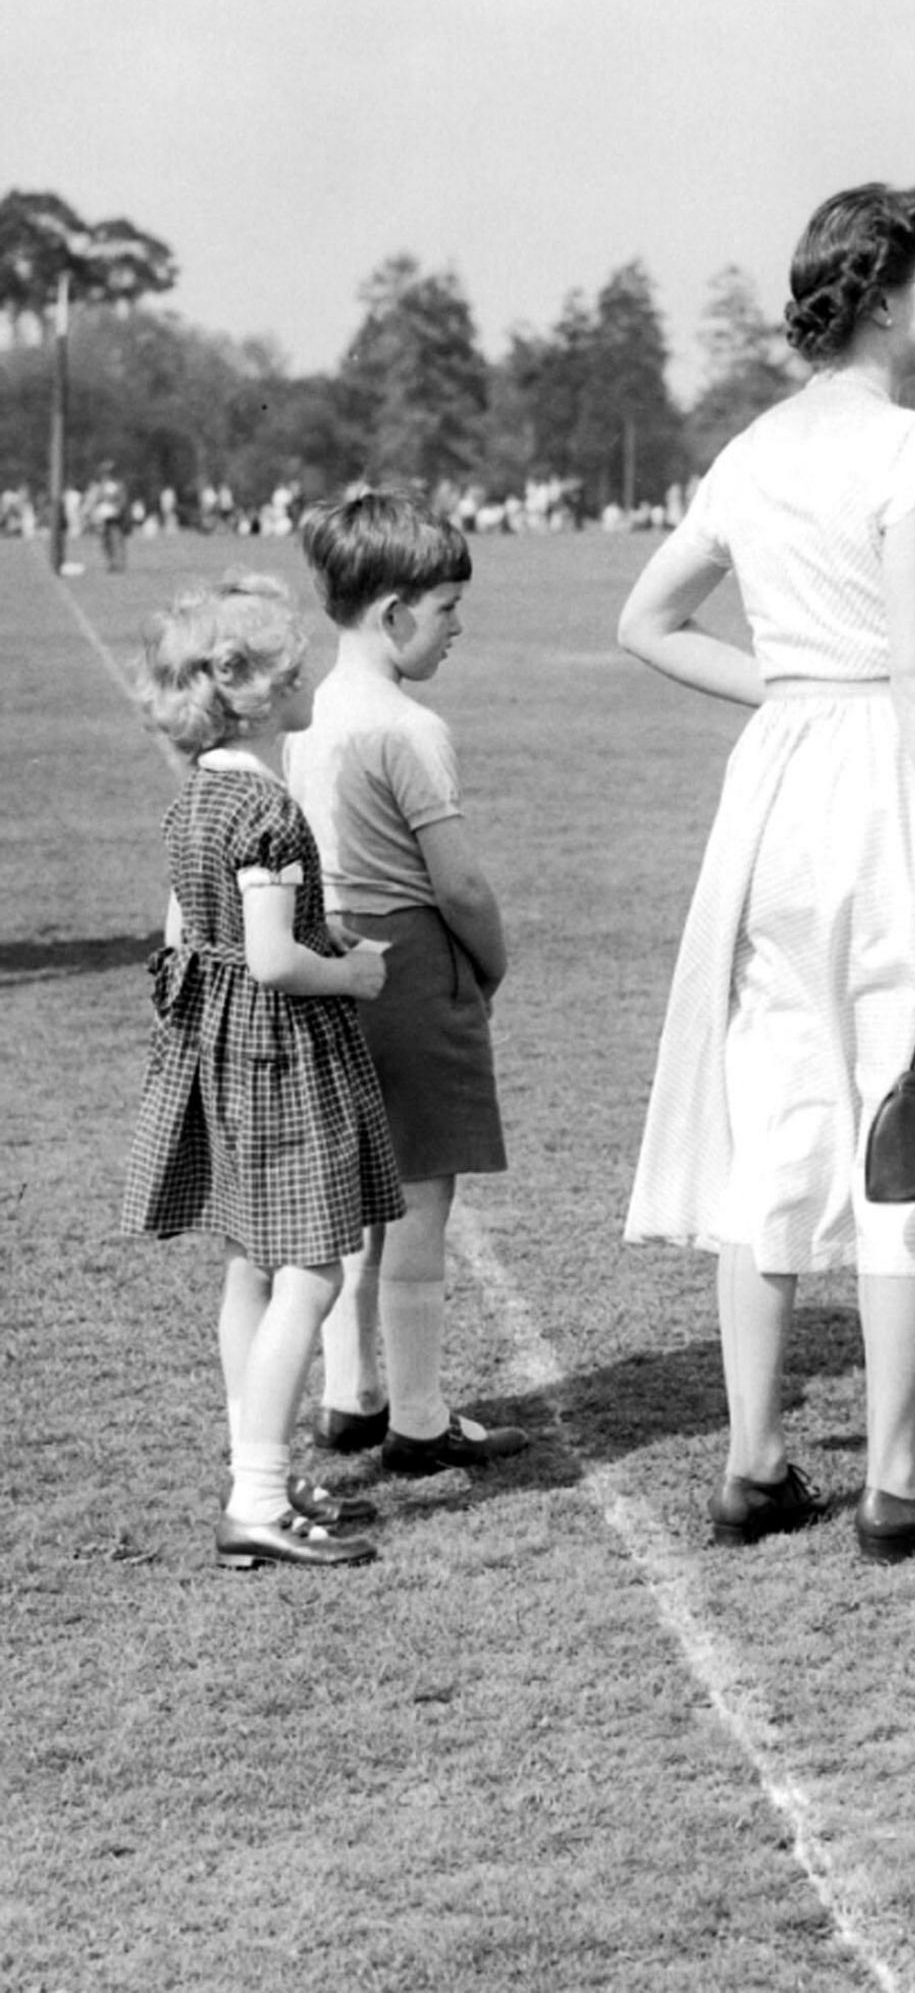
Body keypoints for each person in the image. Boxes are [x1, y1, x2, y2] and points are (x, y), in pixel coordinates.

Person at [619, 183, 915, 1562]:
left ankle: (757, 1464)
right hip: (886, 788)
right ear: (880, 292)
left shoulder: (751, 449)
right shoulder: (914, 446)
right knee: (908, 1107)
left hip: (781, 794)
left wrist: (791, 687)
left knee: (783, 1117)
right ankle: (891, 1478)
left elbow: (647, 621)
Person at [121, 574, 403, 1568]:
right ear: (246, 687)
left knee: (249, 1262)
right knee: (313, 1271)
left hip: (221, 1049)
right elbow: (278, 960)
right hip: (282, 1052)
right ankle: (255, 1497)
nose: (310, 673)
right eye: (294, 665)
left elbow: (189, 933)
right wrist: (354, 971)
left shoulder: (198, 795)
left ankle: (266, 1474)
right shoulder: (268, 812)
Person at [284, 488, 528, 1478]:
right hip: (412, 964)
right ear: (392, 613)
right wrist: (491, 960)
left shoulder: (304, 719)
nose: (458, 628)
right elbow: (458, 881)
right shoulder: (408, 728)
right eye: (445, 608)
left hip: (328, 956)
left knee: (352, 1198)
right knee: (422, 1201)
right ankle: (420, 1417)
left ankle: (352, 1393)